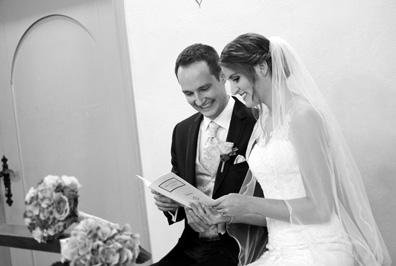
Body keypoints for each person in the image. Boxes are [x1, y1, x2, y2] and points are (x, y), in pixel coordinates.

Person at [195, 33, 391, 266]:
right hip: (279, 249)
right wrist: (226, 212)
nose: (233, 89)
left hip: (318, 249)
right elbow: (278, 209)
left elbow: (320, 209)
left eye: (236, 78)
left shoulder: (302, 116)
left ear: (261, 68)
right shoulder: (263, 121)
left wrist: (247, 203)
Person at [150, 43, 266, 266]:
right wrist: (171, 205)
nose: (198, 100)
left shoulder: (257, 122)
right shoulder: (181, 131)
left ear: (222, 76)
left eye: (204, 89)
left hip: (238, 248)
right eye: (188, 93)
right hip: (191, 247)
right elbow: (182, 186)